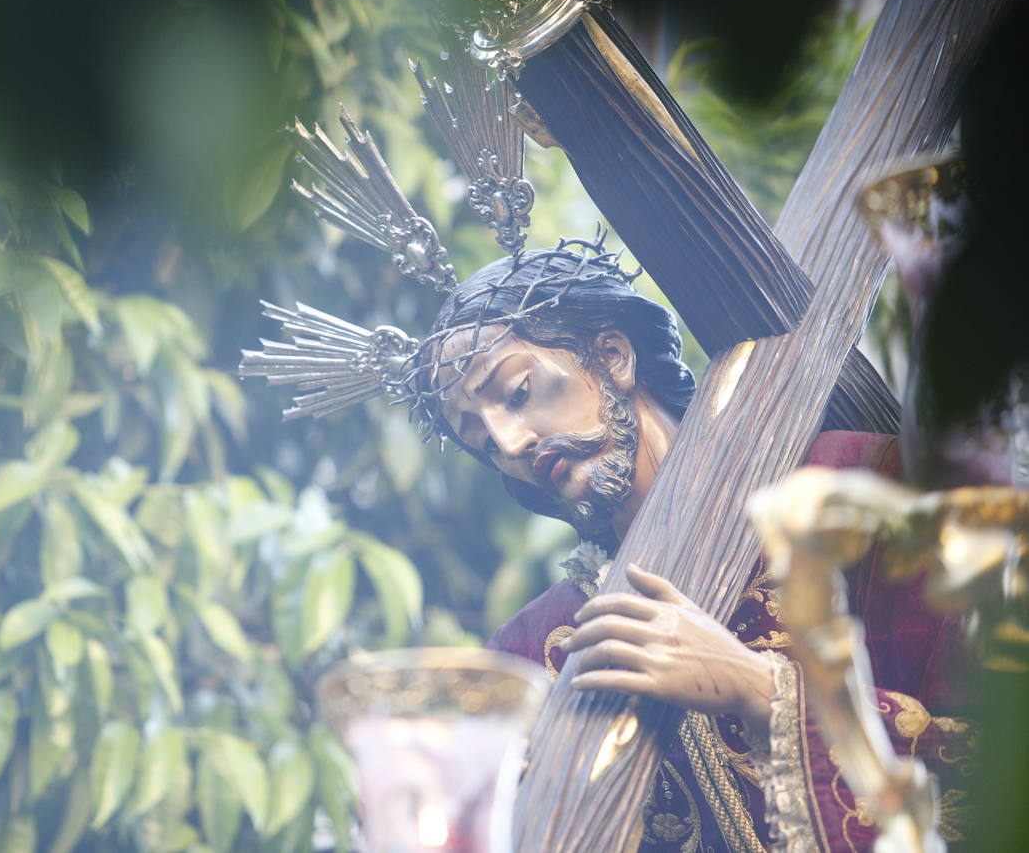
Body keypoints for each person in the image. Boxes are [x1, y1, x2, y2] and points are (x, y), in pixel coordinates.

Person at [414, 247, 974, 851]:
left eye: (519, 392)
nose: (511, 441)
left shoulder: (871, 491)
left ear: (613, 356)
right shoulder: (534, 653)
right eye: (482, 442)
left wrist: (761, 691)